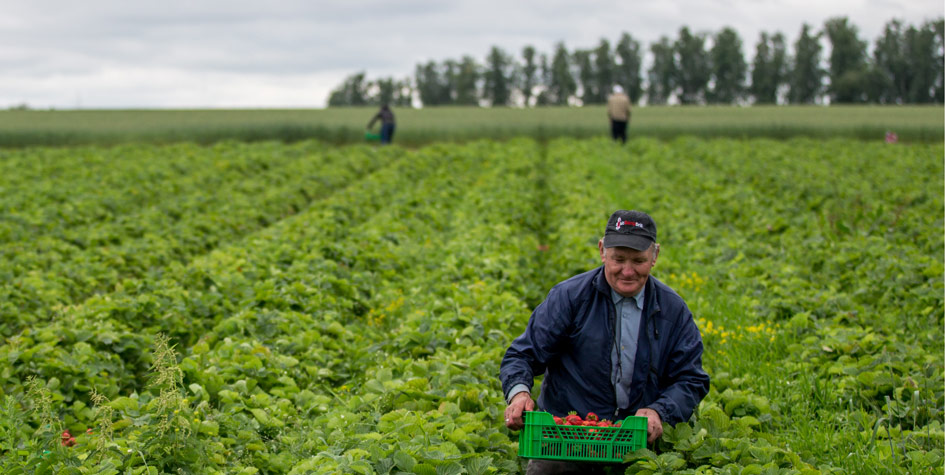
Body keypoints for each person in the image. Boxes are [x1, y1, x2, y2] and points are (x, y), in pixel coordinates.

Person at [500, 210, 710, 474]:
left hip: (637, 444)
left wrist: (659, 411)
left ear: (655, 256)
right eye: (618, 259)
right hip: (565, 440)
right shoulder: (571, 298)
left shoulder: (672, 311)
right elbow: (522, 355)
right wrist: (519, 394)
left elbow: (691, 378)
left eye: (639, 260)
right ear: (602, 251)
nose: (628, 271)